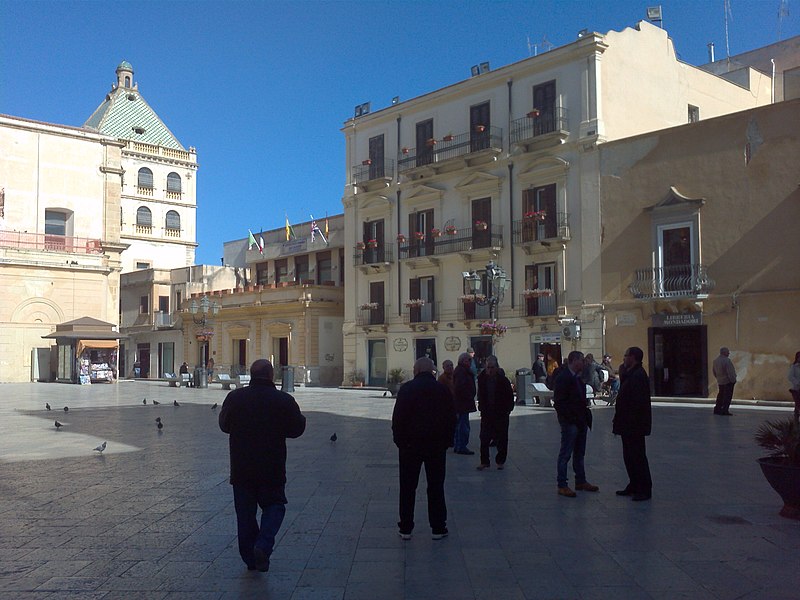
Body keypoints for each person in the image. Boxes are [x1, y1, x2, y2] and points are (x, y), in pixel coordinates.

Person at [218, 359, 306, 572]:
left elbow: (224, 425)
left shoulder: (235, 398)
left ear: (251, 374)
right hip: (272, 466)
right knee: (275, 505)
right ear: (271, 375)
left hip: (242, 468)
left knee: (245, 514)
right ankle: (263, 544)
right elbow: (297, 429)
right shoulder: (283, 400)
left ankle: (251, 559)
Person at [392, 357, 456, 540]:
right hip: (436, 447)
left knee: (407, 487)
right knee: (436, 487)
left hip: (410, 447)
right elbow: (452, 417)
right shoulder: (442, 390)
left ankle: (406, 527)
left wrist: (400, 442)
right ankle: (438, 527)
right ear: (433, 371)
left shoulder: (406, 389)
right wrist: (447, 442)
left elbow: (398, 419)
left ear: (416, 371)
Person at [553, 350, 599, 497]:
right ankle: (562, 484)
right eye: (581, 360)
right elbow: (559, 402)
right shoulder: (563, 377)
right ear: (573, 361)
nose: (584, 363)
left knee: (579, 453)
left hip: (580, 421)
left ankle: (581, 480)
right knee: (565, 454)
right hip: (570, 422)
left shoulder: (578, 378)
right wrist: (570, 418)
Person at [612, 347, 652, 501]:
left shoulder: (638, 376)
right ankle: (634, 484)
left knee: (638, 457)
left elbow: (636, 403)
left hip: (634, 425)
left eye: (626, 355)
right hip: (627, 424)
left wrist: (631, 422)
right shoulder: (631, 374)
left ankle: (644, 488)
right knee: (629, 456)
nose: (623, 358)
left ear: (633, 357)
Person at [476, 355, 515, 470]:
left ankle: (500, 461)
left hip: (501, 413)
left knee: (502, 438)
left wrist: (508, 410)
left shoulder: (503, 380)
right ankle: (484, 461)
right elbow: (480, 395)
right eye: (488, 367)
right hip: (487, 412)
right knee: (484, 437)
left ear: (497, 367)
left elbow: (509, 396)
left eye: (492, 367)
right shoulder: (482, 378)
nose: (490, 370)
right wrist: (481, 407)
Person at [453, 352, 477, 455]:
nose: (470, 362)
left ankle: (458, 445)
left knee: (461, 424)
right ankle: (461, 446)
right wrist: (468, 395)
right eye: (469, 360)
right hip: (463, 403)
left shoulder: (462, 370)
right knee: (463, 425)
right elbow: (460, 387)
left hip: (462, 402)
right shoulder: (461, 371)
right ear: (463, 361)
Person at [712, 347, 737, 415]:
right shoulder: (727, 361)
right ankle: (725, 410)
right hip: (728, 381)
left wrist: (718, 378)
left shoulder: (715, 361)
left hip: (720, 381)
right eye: (727, 352)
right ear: (724, 353)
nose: (729, 353)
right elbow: (730, 372)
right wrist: (733, 380)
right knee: (727, 396)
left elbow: (714, 372)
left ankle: (717, 408)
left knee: (720, 395)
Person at [788, 351, 800, 423]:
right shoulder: (794, 367)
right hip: (796, 389)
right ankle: (796, 420)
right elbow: (790, 376)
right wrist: (797, 383)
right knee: (798, 404)